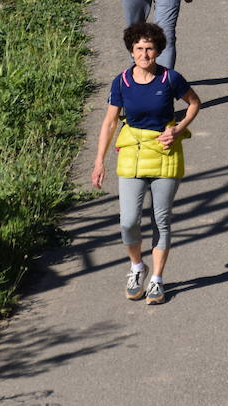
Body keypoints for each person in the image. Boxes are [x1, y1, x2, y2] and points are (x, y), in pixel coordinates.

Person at [91, 21, 200, 307]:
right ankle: (138, 267)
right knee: (128, 222)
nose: (144, 54)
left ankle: (158, 280)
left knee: (160, 220)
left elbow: (194, 103)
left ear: (158, 50)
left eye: (149, 48)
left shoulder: (170, 79)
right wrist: (99, 161)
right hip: (132, 154)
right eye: (139, 48)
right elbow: (110, 122)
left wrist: (178, 128)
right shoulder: (121, 82)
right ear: (131, 50)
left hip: (165, 154)